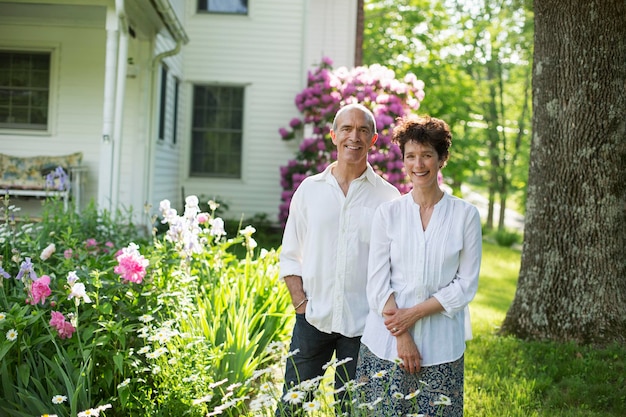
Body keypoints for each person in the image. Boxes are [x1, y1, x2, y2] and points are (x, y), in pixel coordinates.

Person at [276, 103, 401, 415]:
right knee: (292, 408)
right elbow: (291, 254)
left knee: (353, 411)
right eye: (346, 128)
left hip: (363, 327)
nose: (354, 137)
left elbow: (395, 267)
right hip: (312, 320)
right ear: (333, 135)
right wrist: (301, 306)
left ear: (374, 140)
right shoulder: (309, 190)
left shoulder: (388, 198)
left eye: (363, 130)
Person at [354, 115, 482, 416]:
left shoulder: (466, 215)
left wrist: (413, 314)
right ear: (403, 161)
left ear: (442, 158)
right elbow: (377, 283)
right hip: (385, 343)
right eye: (411, 156)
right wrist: (402, 334)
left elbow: (466, 285)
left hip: (441, 345)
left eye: (426, 155)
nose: (418, 164)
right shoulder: (389, 214)